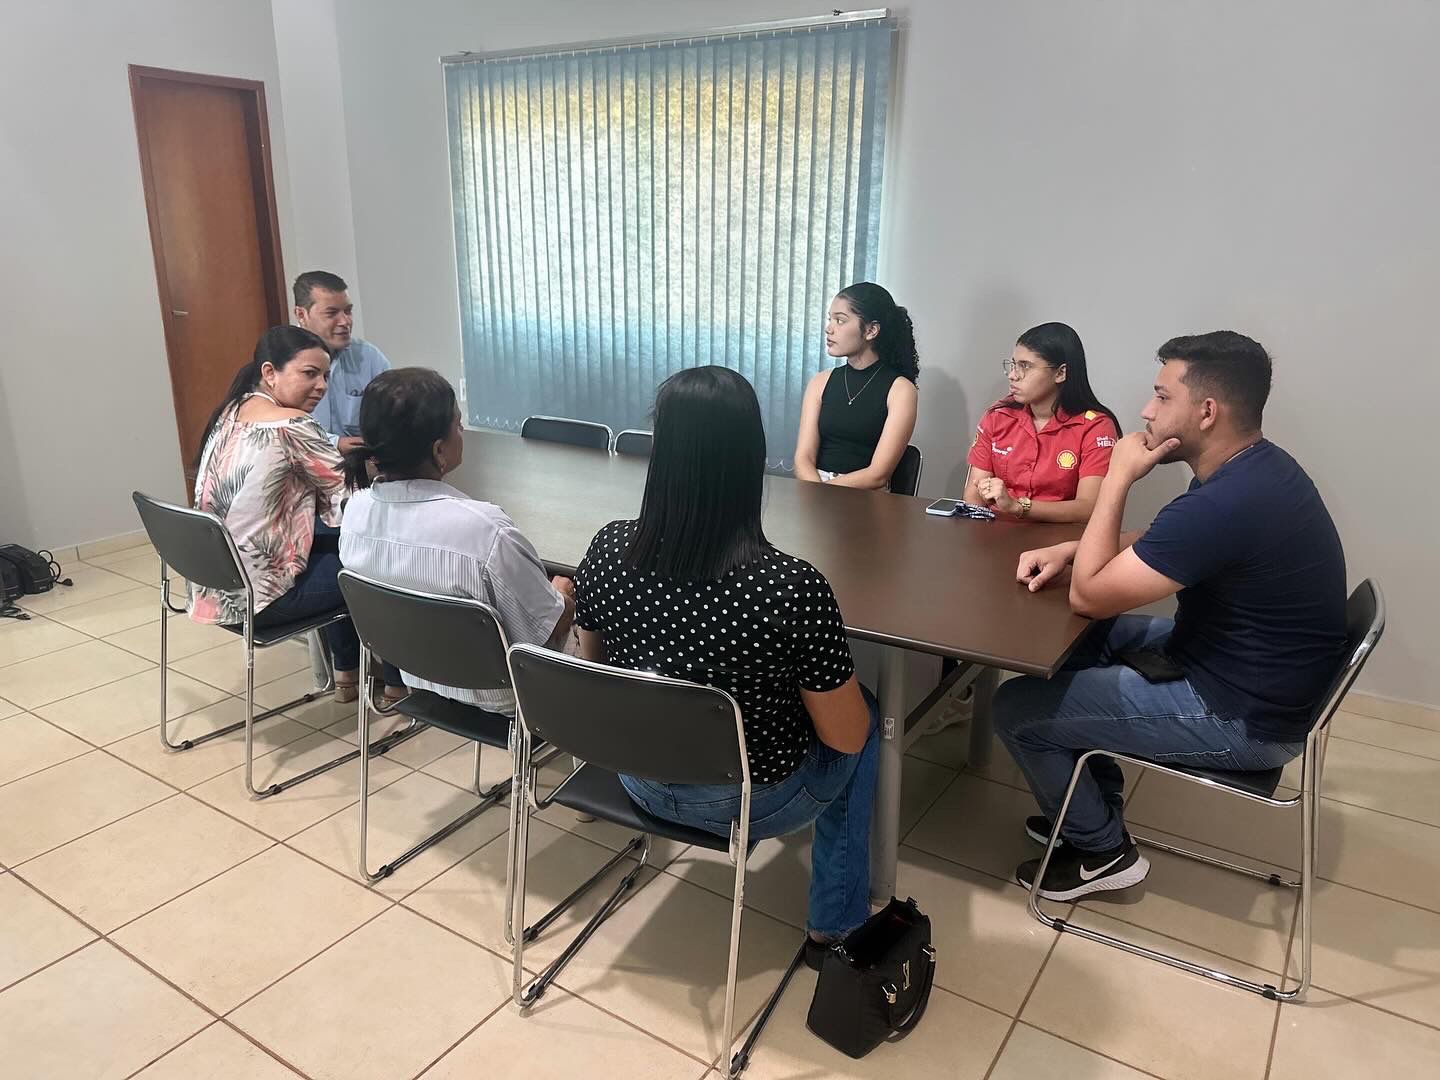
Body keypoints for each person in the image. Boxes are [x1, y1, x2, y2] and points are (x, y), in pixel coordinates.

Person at [994, 331, 1347, 900]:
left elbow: (1088, 595)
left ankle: (1101, 854)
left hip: (1242, 717)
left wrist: (1117, 477)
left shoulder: (1226, 502)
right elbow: (1166, 541)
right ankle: (1089, 805)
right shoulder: (1258, 470)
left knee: (1015, 708)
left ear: (1206, 412)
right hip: (1240, 669)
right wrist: (1070, 550)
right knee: (1086, 642)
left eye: (1161, 397)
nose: (1144, 411)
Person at [574, 366, 879, 963]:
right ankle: (836, 921)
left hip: (637, 773)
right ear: (751, 459)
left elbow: (597, 666)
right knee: (863, 715)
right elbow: (843, 736)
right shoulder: (790, 586)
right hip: (750, 800)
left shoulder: (609, 548)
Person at [338, 368, 574, 715]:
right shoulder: (484, 530)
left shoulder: (355, 512)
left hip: (418, 676)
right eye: (458, 424)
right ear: (439, 450)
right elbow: (547, 629)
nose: (462, 432)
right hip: (507, 694)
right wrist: (563, 596)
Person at [189, 325, 401, 703]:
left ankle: (347, 677)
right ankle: (401, 688)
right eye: (309, 373)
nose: (321, 385)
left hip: (216, 587)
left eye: (325, 376)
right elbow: (353, 507)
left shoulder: (232, 411)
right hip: (261, 598)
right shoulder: (293, 425)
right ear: (269, 373)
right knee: (382, 558)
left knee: (343, 545)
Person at [964, 322, 1120, 522]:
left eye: (1025, 366)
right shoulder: (998, 415)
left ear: (1060, 373)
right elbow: (973, 493)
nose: (1013, 375)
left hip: (1058, 542)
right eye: (1012, 365)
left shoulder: (1095, 426)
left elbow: (1088, 508)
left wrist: (1018, 506)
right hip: (996, 532)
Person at [794, 282, 919, 490]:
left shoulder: (901, 390)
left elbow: (877, 475)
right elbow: (803, 459)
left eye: (840, 321)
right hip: (815, 489)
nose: (829, 328)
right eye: (830, 319)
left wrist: (824, 494)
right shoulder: (820, 382)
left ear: (871, 330)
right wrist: (817, 494)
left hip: (865, 497)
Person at [294, 270, 390, 455]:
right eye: (332, 313)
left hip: (362, 470)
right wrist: (334, 443)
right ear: (301, 314)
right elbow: (276, 430)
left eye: (348, 311)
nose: (345, 321)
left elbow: (393, 417)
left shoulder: (368, 357)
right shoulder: (281, 361)